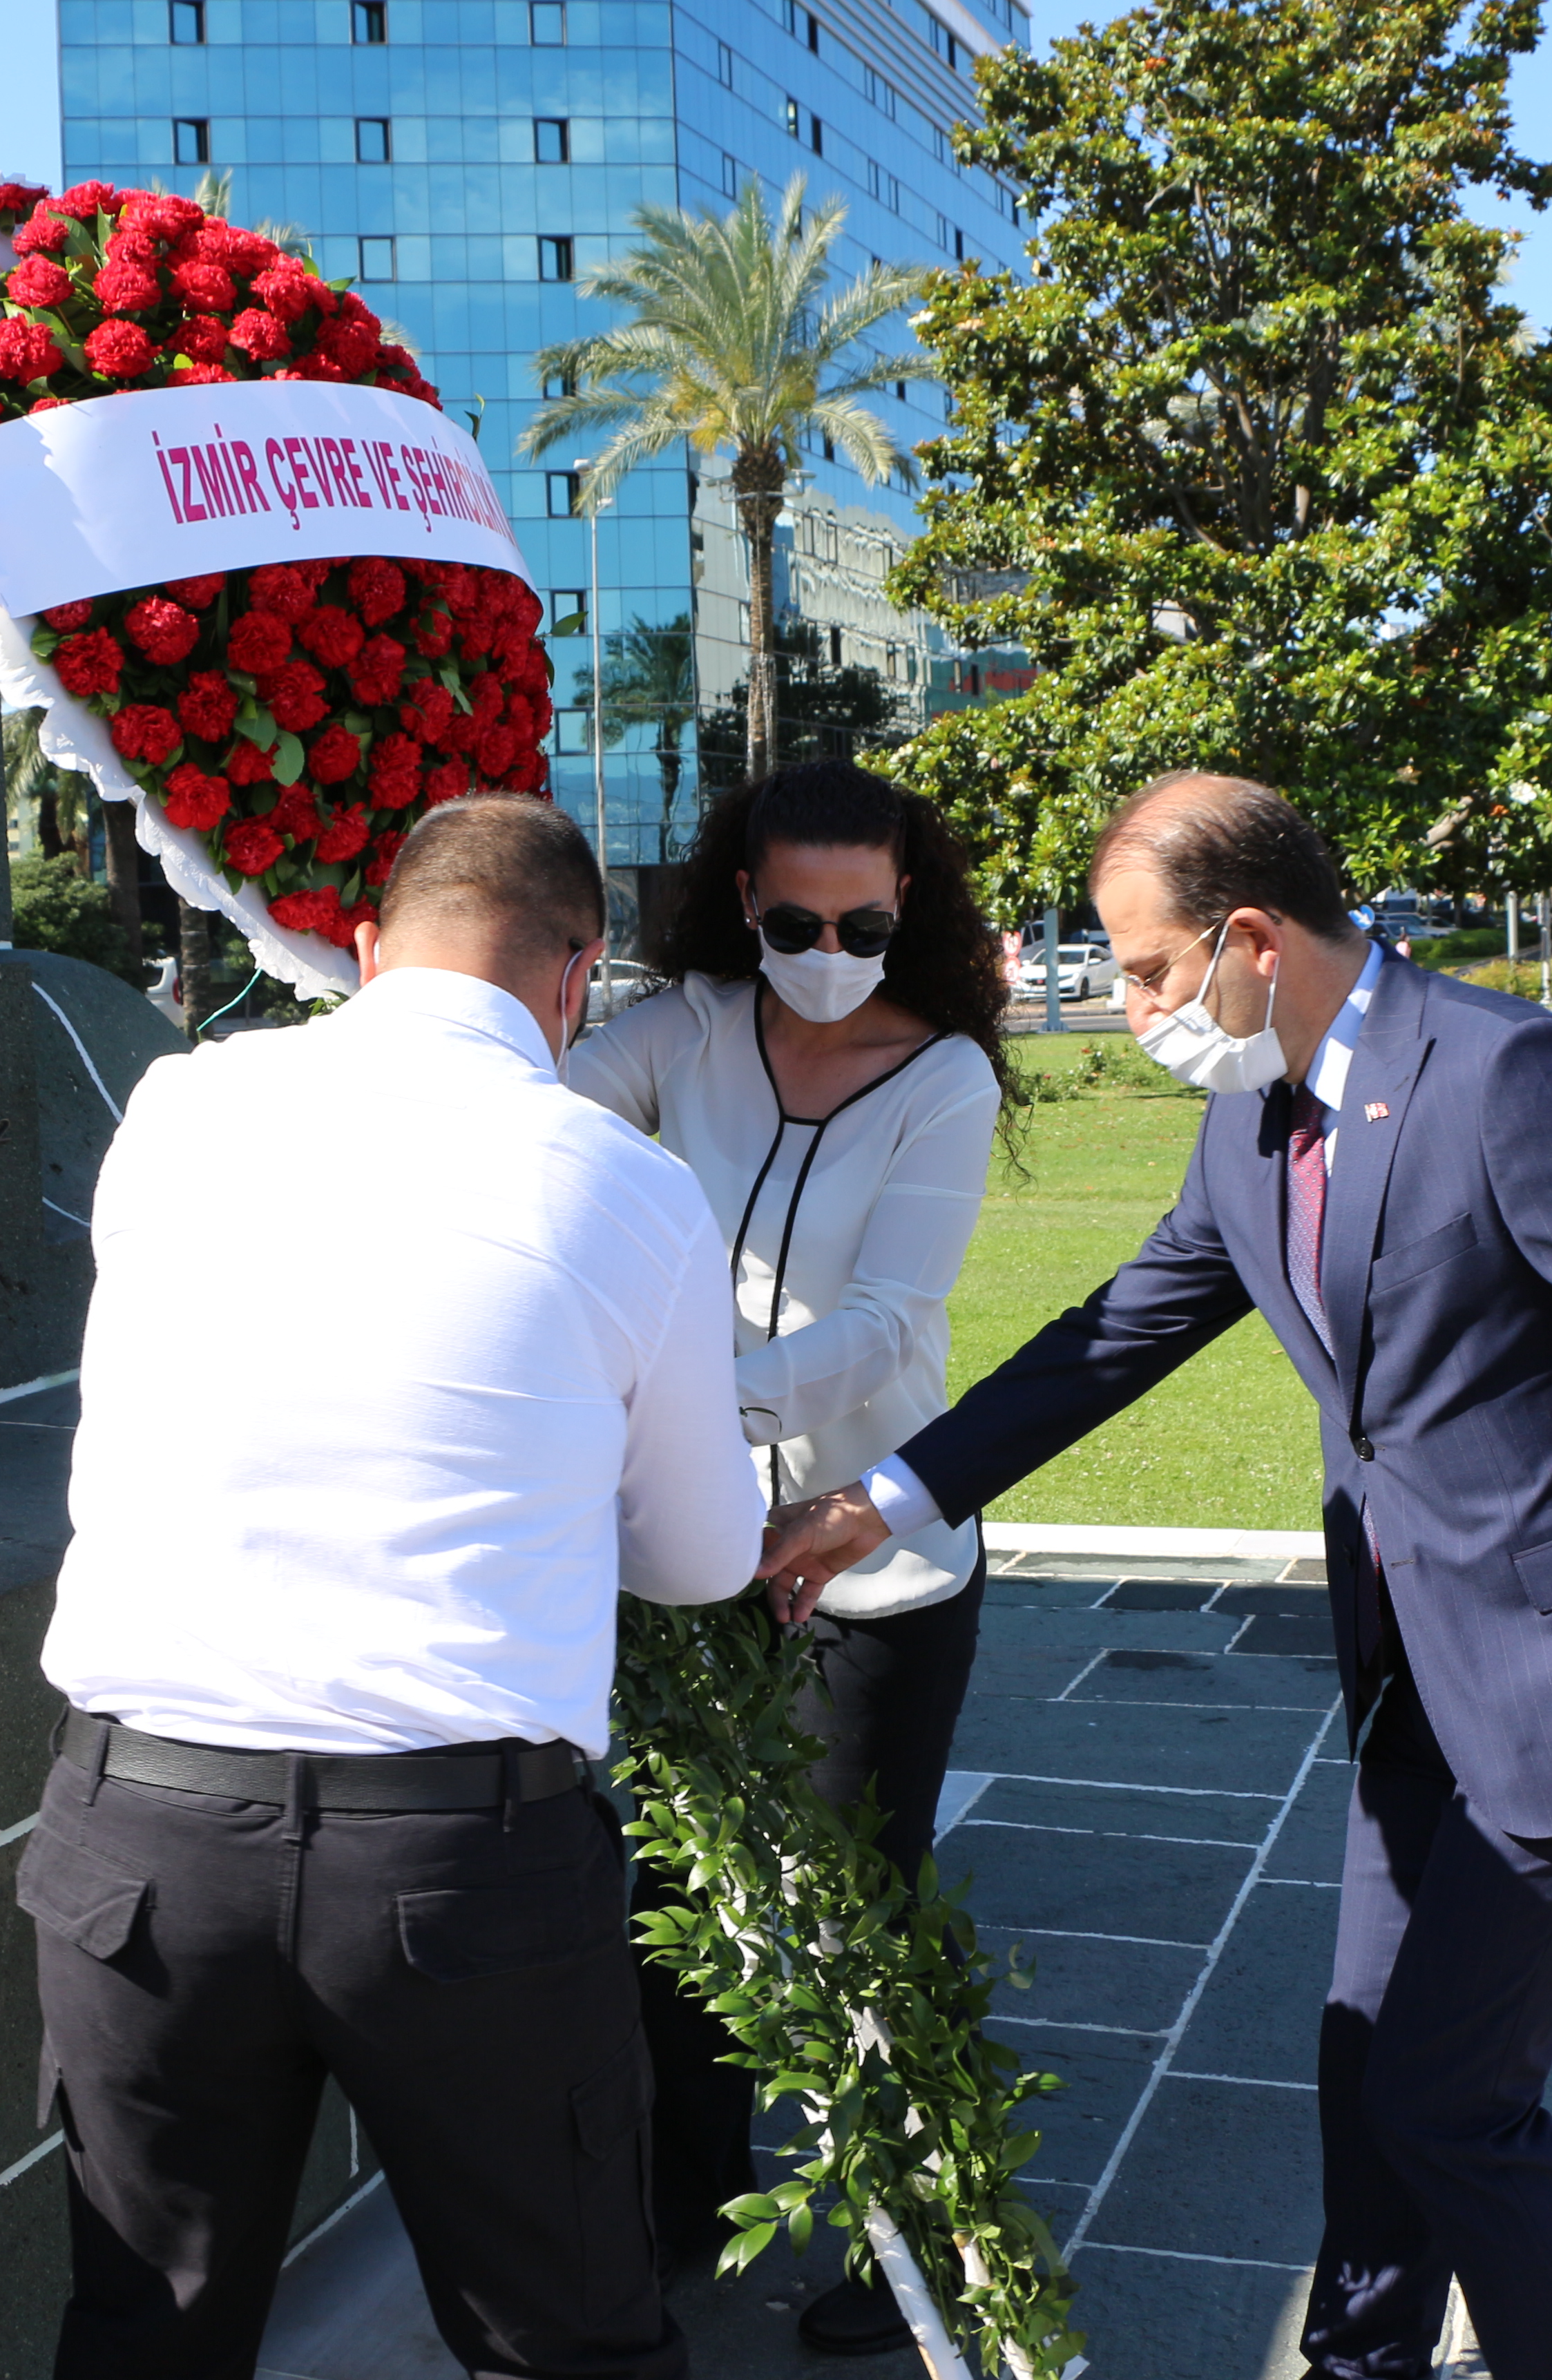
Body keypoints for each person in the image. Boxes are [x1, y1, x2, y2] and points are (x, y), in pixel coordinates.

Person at [765, 771, 1552, 2380]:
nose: (1134, 1008)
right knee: (1367, 2054)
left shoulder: (1510, 1078)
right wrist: (885, 1497)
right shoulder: (1254, 1121)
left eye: (1151, 971)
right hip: (1417, 1675)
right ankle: (1358, 2366)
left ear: (1251, 937)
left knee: (1454, 2098)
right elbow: (1115, 1336)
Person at [27, 793, 765, 2379]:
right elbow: (703, 1559)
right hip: (458, 1859)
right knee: (560, 2334)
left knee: (145, 2327)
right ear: (579, 980)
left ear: (364, 949)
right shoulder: (628, 1190)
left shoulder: (180, 1107)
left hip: (142, 1839)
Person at [568, 758, 1009, 2357]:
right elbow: (535, 1131)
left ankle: (934, 2242)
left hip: (869, 1547)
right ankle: (682, 2202)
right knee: (680, 1896)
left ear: (912, 910)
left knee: (850, 1909)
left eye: (869, 917)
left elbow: (890, 1323)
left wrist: (681, 1397)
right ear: (744, 900)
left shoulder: (943, 1075)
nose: (832, 942)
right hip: (685, 1543)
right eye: (800, 914)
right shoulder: (682, 1029)